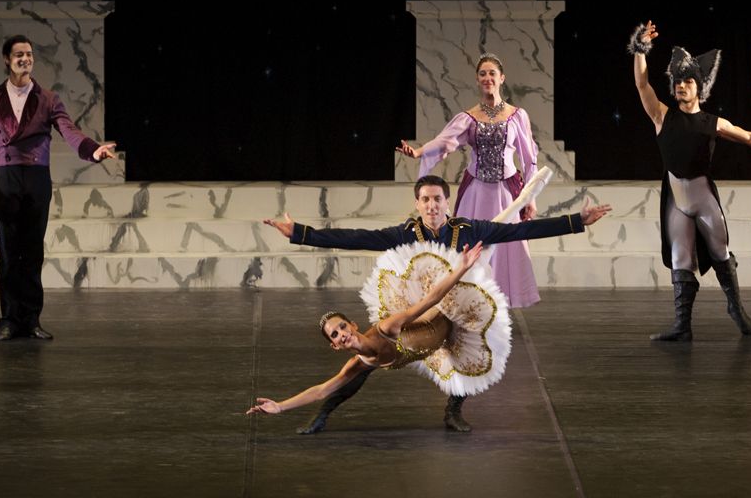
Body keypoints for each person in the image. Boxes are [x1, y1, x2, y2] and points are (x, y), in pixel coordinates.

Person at [264, 173, 612, 432]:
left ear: (447, 202)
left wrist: (576, 221)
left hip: (455, 312)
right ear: (418, 204)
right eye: (425, 200)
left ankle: (453, 409)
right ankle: (324, 412)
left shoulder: (470, 228)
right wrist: (301, 233)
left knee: (469, 359)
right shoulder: (404, 233)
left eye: (437, 199)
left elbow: (519, 231)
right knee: (363, 362)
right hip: (415, 310)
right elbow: (356, 237)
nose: (431, 206)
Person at [247, 241, 494, 429]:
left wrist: (462, 268)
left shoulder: (387, 328)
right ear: (334, 346)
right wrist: (280, 406)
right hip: (438, 346)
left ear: (352, 324)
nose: (342, 334)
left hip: (452, 313)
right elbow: (322, 390)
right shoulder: (359, 364)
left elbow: (432, 299)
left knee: (487, 254)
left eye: (342, 327)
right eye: (335, 335)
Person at [0, 35, 117, 341]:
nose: (25, 59)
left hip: (36, 179)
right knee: (10, 254)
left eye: (29, 54)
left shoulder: (48, 98)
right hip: (5, 178)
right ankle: (10, 320)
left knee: (33, 251)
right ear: (6, 60)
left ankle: (32, 318)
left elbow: (70, 131)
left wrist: (92, 150)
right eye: (19, 54)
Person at [629, 21, 751, 341]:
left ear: (700, 86)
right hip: (677, 199)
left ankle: (735, 308)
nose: (681, 85)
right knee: (681, 258)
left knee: (720, 252)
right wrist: (640, 49)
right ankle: (682, 325)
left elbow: (748, 137)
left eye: (688, 80)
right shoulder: (662, 115)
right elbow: (641, 83)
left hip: (703, 197)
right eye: (678, 81)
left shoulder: (712, 122)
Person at [396, 54, 542, 307]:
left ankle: (501, 303)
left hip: (506, 192)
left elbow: (529, 159)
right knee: (470, 245)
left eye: (492, 73)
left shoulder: (517, 116)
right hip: (476, 191)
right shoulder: (469, 117)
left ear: (501, 78)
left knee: (506, 247)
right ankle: (469, 301)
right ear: (477, 80)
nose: (487, 78)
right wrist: (419, 152)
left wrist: (531, 198)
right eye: (483, 74)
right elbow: (444, 141)